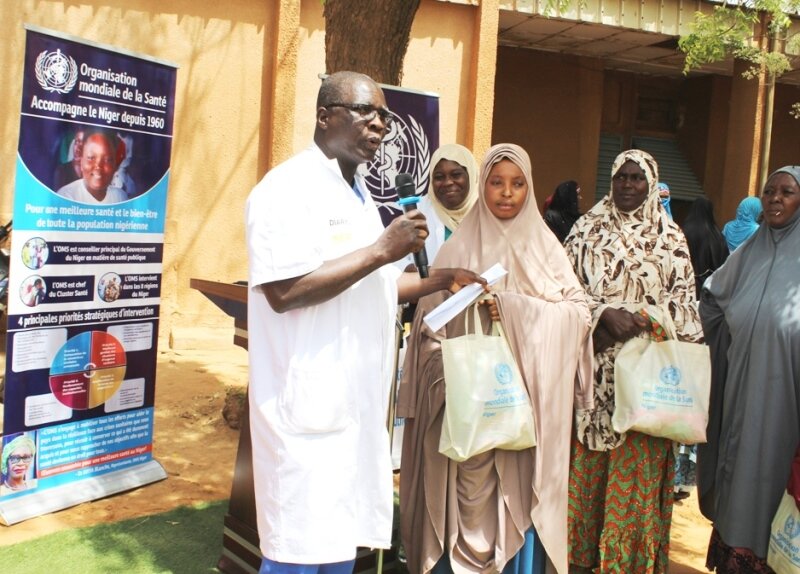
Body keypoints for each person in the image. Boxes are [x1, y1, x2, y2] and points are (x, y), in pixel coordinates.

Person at [244, 71, 486, 573]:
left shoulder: (359, 196)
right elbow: (284, 291)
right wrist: (381, 250)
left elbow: (375, 285)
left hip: (354, 409)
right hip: (307, 410)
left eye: (385, 117)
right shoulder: (286, 188)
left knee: (337, 550)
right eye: (365, 112)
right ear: (324, 115)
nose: (378, 125)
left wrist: (443, 277)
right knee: (296, 554)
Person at [398, 143, 593, 574]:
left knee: (519, 504)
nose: (507, 194)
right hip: (464, 417)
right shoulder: (456, 252)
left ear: (530, 188)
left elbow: (579, 315)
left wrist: (515, 310)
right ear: (483, 186)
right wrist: (448, 376)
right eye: (497, 183)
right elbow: (426, 336)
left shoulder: (546, 249)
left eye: (518, 184)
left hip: (523, 413)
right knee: (463, 501)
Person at [565, 149, 702, 573]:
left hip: (647, 391)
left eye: (636, 178)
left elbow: (688, 315)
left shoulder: (671, 239)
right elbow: (561, 294)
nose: (627, 185)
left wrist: (644, 319)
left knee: (635, 493)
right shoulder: (585, 230)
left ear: (651, 184)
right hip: (594, 387)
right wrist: (601, 315)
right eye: (621, 177)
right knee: (587, 487)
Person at [697, 166, 800, 572]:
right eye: (769, 191)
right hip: (740, 395)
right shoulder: (749, 253)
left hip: (786, 408)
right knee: (738, 478)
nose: (775, 198)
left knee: (777, 490)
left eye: (787, 192)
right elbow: (711, 300)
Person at [57, 130, 128, 204]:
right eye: (91, 158)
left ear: (115, 166)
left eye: (107, 160)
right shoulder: (66, 196)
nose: (98, 166)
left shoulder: (120, 197)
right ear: (81, 162)